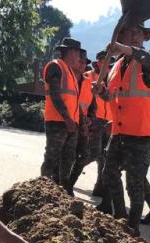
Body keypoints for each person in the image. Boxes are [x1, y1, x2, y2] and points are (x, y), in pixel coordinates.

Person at [97, 24, 150, 234]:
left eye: (139, 33)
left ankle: (132, 228)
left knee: (134, 184)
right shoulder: (117, 66)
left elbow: (147, 58)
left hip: (140, 134)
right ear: (123, 35)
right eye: (131, 32)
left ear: (144, 38)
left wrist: (122, 48)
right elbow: (113, 97)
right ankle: (120, 216)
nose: (135, 36)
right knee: (109, 173)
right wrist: (102, 93)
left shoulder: (148, 59)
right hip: (119, 132)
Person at [40, 37, 81, 191]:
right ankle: (42, 188)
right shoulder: (55, 67)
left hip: (70, 123)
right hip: (58, 121)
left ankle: (63, 189)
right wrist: (67, 118)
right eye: (78, 53)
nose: (79, 58)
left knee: (68, 159)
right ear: (71, 52)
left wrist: (75, 122)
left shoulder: (70, 71)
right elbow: (55, 95)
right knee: (52, 157)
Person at [68, 48, 97, 191]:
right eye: (80, 61)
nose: (82, 64)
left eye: (84, 62)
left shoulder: (88, 83)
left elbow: (93, 106)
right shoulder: (67, 79)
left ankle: (69, 184)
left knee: (84, 155)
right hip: (68, 124)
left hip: (82, 126)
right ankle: (59, 183)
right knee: (66, 156)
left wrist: (90, 119)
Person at [86, 51, 113, 196]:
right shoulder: (89, 76)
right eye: (103, 60)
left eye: (108, 61)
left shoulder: (113, 78)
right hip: (95, 120)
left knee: (103, 157)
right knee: (92, 153)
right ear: (98, 62)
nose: (105, 64)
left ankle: (99, 187)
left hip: (108, 122)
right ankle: (67, 173)